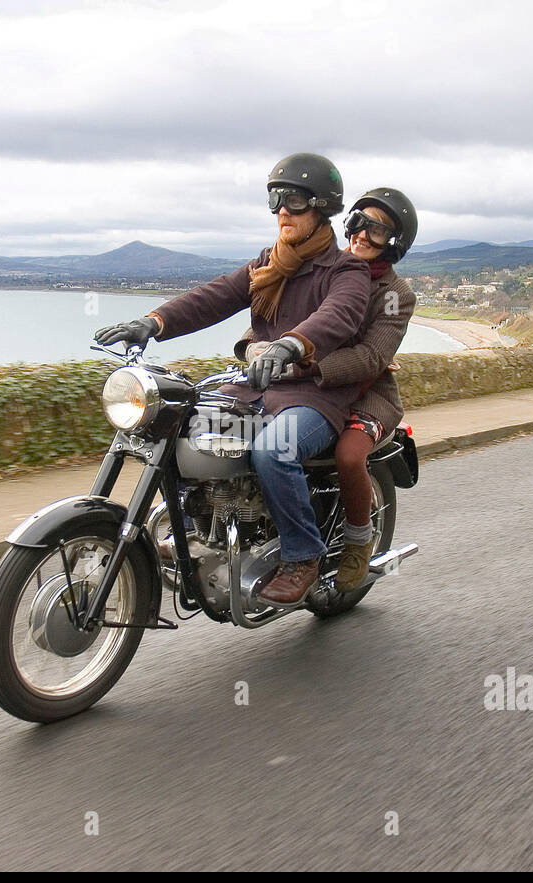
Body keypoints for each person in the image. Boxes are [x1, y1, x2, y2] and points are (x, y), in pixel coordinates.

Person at [93, 152, 371, 606]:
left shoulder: (347, 271)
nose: (282, 209)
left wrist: (291, 344)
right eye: (275, 199)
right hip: (256, 389)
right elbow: (216, 296)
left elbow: (337, 317)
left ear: (321, 207)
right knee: (180, 425)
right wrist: (154, 322)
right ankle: (187, 525)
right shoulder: (269, 263)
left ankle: (304, 556)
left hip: (314, 396)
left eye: (294, 200)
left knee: (272, 450)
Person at [234, 187, 418, 591]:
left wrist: (301, 363)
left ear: (395, 245)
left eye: (379, 231)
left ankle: (357, 541)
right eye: (358, 223)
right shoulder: (317, 269)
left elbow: (372, 357)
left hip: (366, 393)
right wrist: (255, 349)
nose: (363, 236)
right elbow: (273, 325)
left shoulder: (394, 295)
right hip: (305, 387)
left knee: (350, 455)